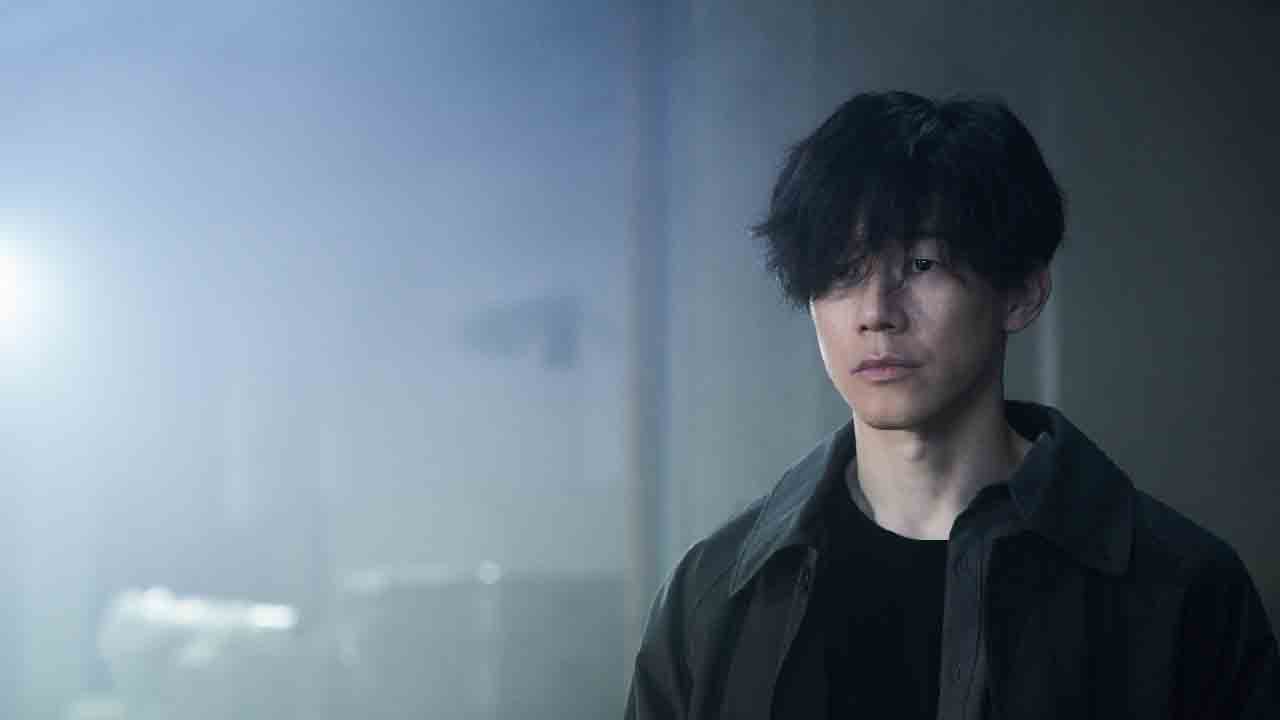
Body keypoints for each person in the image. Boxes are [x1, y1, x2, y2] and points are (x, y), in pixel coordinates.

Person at [624, 90, 1278, 719]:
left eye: (920, 264)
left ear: (1021, 292)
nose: (876, 312)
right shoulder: (714, 592)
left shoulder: (1182, 589)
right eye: (844, 271)